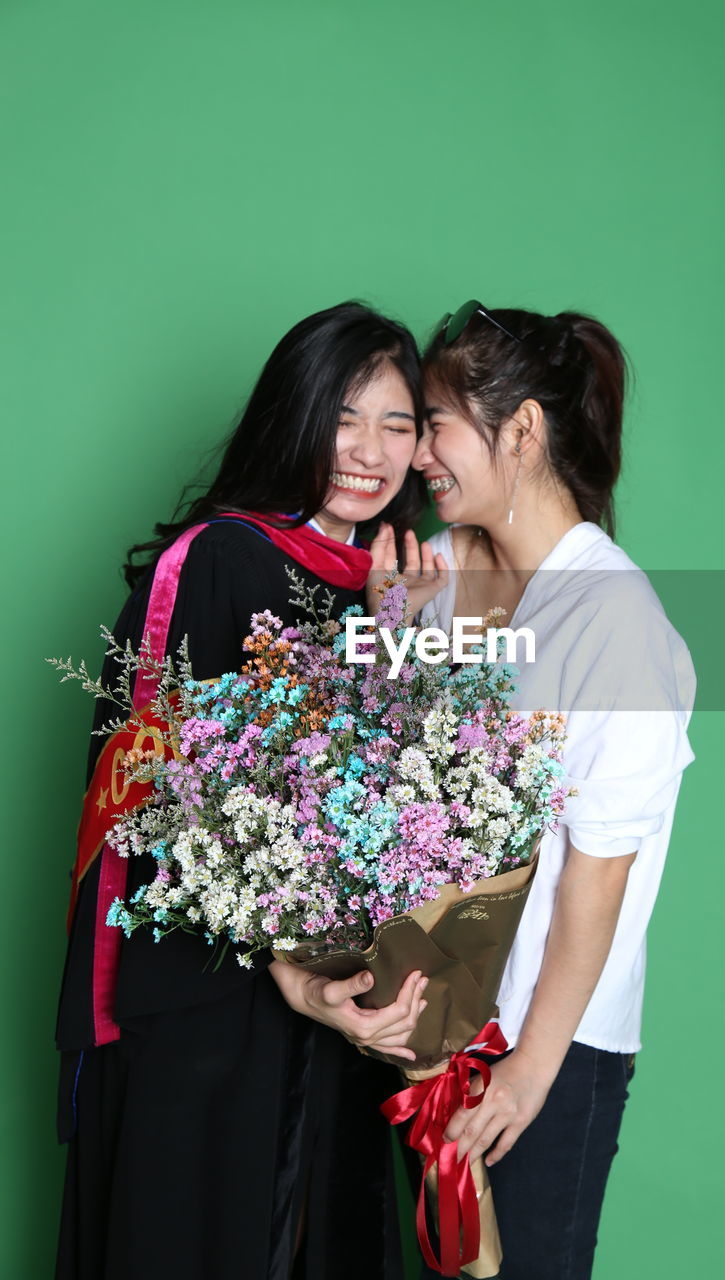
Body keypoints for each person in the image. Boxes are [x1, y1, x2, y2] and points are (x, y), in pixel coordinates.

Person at [54, 301, 446, 1280]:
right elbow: (170, 797)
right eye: (344, 416)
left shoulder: (398, 583)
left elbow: (401, 801)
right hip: (209, 1002)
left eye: (397, 424)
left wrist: (407, 642)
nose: (370, 451)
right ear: (295, 415)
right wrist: (285, 965)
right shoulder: (222, 559)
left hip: (338, 1007)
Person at [412, 300, 696, 1279]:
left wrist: (531, 1068)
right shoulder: (439, 575)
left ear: (521, 430)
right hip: (429, 1019)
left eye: (437, 421)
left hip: (549, 1042)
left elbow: (596, 874)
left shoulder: (615, 616)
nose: (418, 454)